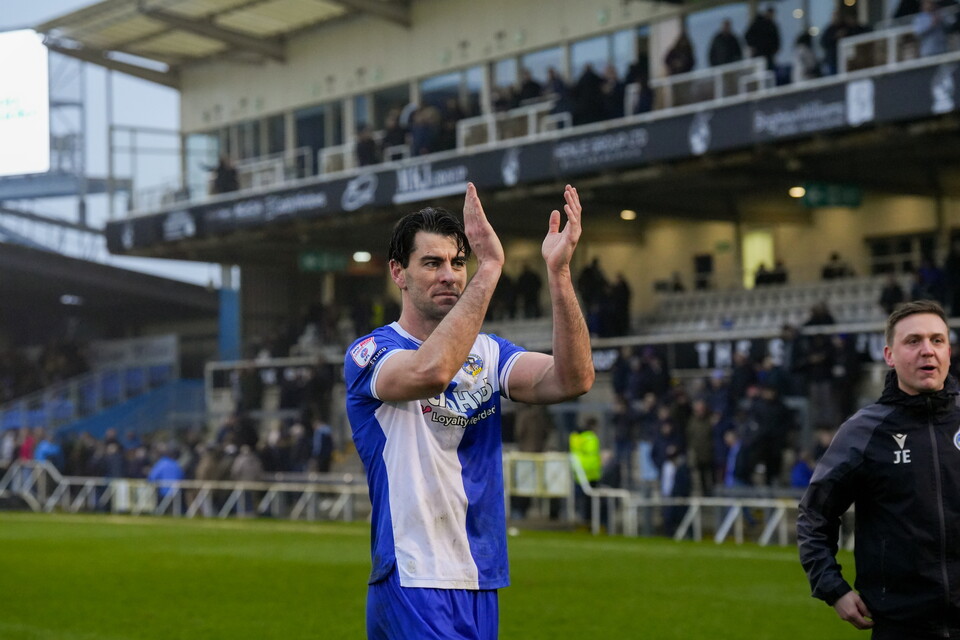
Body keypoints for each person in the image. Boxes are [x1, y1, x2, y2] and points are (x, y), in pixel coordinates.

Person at [344, 182, 594, 639]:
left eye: (459, 263)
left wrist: (558, 276)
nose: (450, 275)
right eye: (433, 263)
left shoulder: (490, 354)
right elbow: (432, 371)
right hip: (413, 575)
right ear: (398, 273)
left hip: (480, 576)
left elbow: (572, 379)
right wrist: (490, 267)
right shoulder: (372, 353)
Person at [798, 300, 960, 638]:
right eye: (913, 341)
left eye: (937, 340)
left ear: (949, 350)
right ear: (889, 355)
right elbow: (815, 515)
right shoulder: (863, 431)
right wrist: (833, 588)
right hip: (901, 625)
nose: (927, 351)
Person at [745, 6, 781, 71]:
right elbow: (748, 35)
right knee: (759, 72)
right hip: (758, 54)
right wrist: (753, 46)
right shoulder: (758, 23)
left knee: (769, 73)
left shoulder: (773, 26)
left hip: (769, 55)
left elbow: (776, 40)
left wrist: (775, 50)